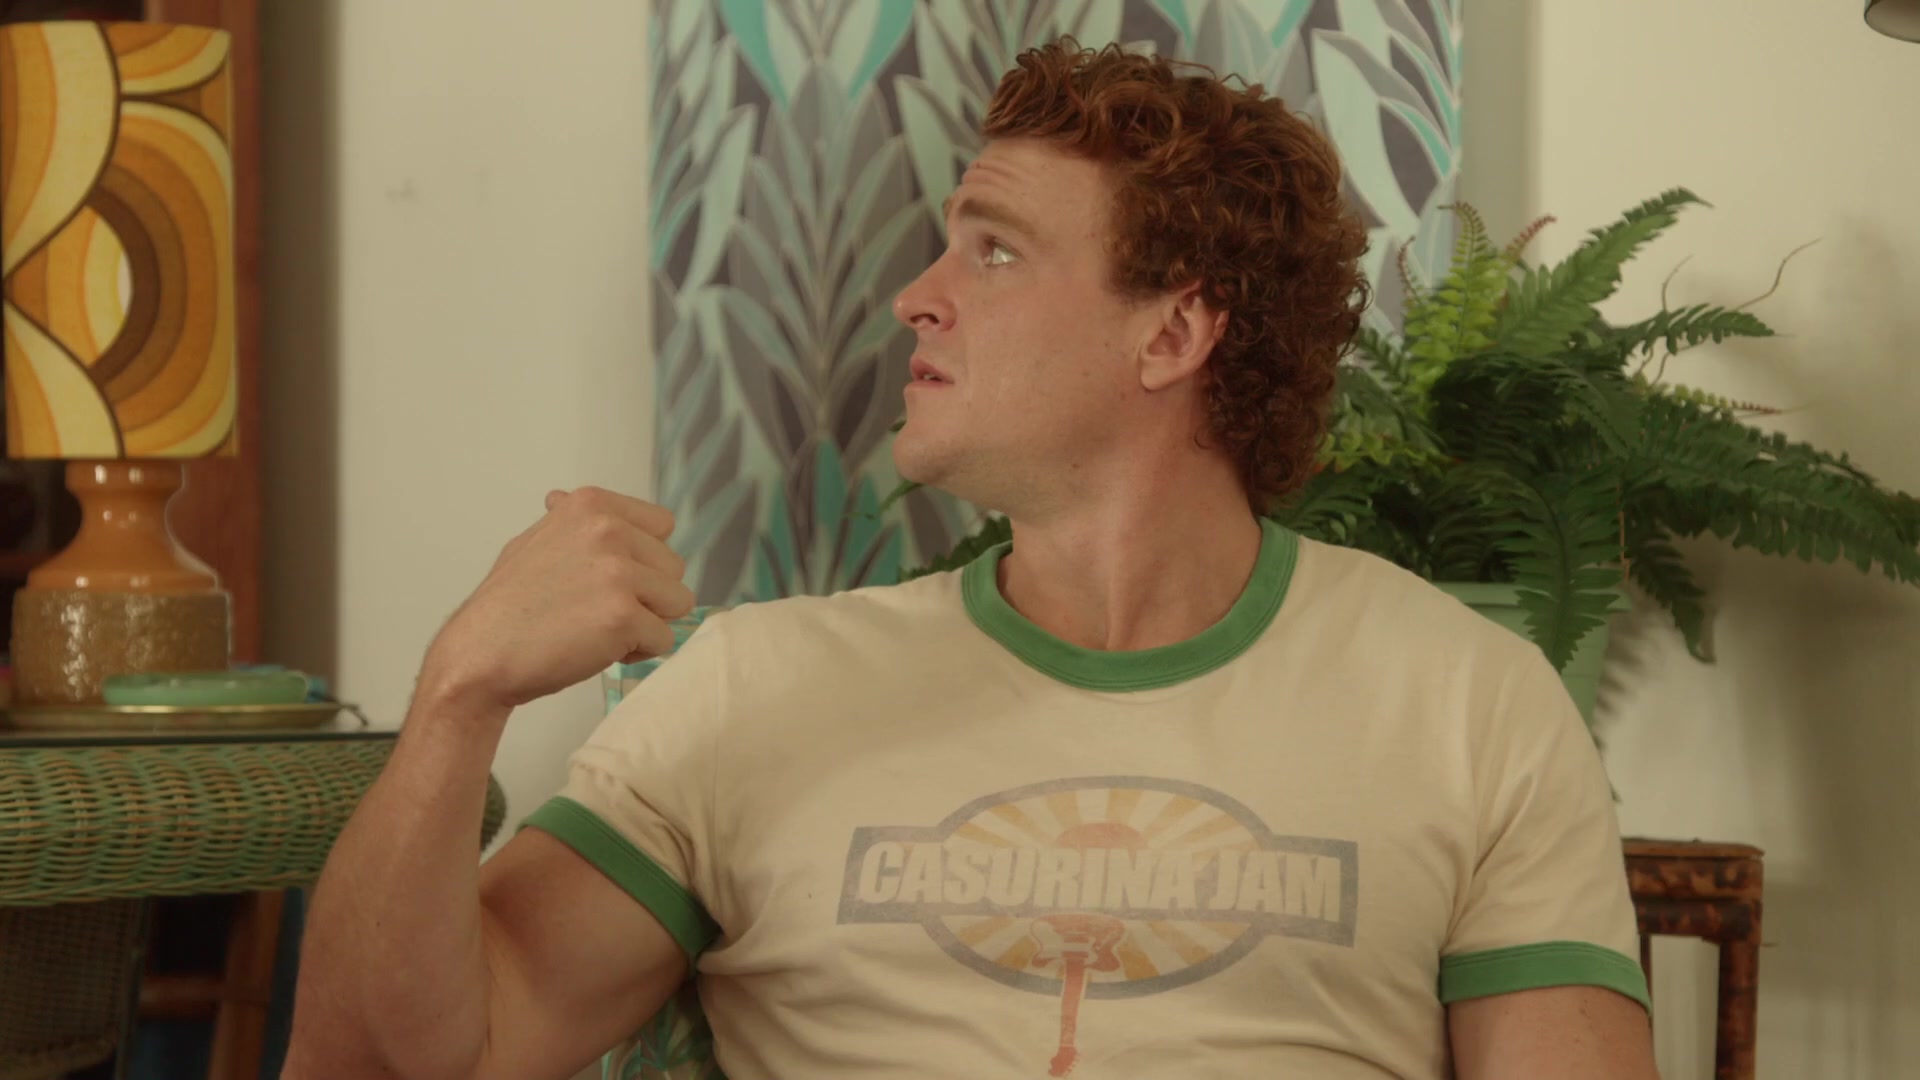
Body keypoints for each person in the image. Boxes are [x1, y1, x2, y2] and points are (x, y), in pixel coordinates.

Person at [284, 39, 1658, 1080]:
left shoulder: (1471, 705)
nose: (914, 298)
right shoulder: (751, 688)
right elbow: (382, 1062)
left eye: (993, 253)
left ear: (1172, 335)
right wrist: (461, 694)